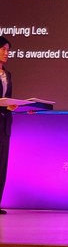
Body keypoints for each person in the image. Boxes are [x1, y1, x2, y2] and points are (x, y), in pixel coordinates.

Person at [0, 36, 14, 215]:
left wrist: (22, 108)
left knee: (2, 164)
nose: (6, 53)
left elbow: (8, 100)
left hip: (4, 125)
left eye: (8, 50)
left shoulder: (7, 75)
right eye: (3, 49)